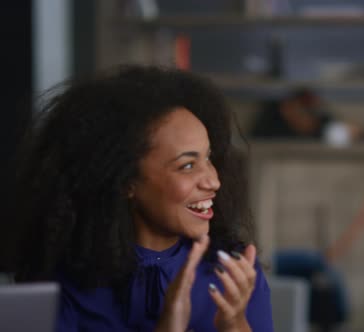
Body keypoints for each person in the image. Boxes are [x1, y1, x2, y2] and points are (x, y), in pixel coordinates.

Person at [2, 65, 274, 331]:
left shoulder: (234, 273)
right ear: (125, 181)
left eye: (209, 157)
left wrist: (234, 323)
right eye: (187, 166)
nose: (213, 181)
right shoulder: (64, 285)